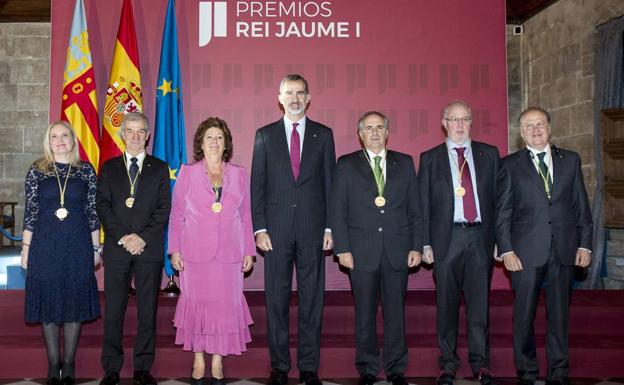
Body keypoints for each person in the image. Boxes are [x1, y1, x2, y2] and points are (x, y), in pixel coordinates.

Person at [250, 74, 336, 385]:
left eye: (300, 93)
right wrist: (259, 228)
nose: (295, 98)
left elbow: (330, 185)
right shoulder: (264, 135)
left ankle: (309, 367)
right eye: (289, 93)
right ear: (280, 98)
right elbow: (257, 186)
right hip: (276, 233)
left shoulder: (324, 135)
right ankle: (280, 367)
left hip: (314, 231)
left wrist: (330, 227)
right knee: (276, 300)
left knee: (312, 300)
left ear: (309, 97)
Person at [497, 107, 592, 385]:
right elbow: (502, 211)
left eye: (540, 124)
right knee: (524, 316)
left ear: (550, 127)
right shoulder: (509, 164)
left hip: (564, 249)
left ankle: (559, 372)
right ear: (521, 132)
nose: (535, 130)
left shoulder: (571, 160)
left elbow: (581, 207)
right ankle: (526, 372)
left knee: (559, 316)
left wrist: (585, 245)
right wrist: (506, 249)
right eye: (528, 126)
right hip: (524, 253)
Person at [330, 111, 422, 385]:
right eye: (368, 128)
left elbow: (415, 209)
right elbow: (337, 211)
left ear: (387, 132)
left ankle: (396, 368)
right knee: (365, 313)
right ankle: (368, 368)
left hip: (397, 249)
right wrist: (343, 249)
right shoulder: (346, 165)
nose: (373, 132)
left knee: (395, 313)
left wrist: (416, 246)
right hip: (360, 252)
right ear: (360, 134)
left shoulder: (404, 163)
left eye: (379, 127)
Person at [418, 100, 502, 385]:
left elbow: (500, 202)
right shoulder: (429, 158)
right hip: (446, 239)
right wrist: (425, 244)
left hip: (480, 237)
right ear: (444, 122)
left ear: (471, 121)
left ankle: (481, 363)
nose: (459, 124)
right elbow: (423, 206)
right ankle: (448, 364)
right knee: (447, 305)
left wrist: (500, 241)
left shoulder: (489, 154)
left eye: (465, 119)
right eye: (454, 119)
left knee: (479, 306)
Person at [168, 117, 255, 385]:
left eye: (219, 137)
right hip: (194, 255)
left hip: (230, 256)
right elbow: (176, 216)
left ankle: (217, 361)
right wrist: (174, 250)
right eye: (209, 137)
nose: (214, 142)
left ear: (226, 142)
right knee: (197, 307)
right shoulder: (187, 173)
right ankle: (198, 359)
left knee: (223, 309)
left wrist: (248, 251)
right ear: (200, 144)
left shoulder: (239, 174)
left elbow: (245, 217)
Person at [21, 121, 101, 385]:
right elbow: (30, 212)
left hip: (78, 244)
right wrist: (25, 249)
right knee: (48, 303)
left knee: (73, 304)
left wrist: (95, 248)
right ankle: (53, 365)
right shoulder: (37, 170)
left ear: (73, 139)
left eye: (64, 135)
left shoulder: (86, 170)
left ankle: (69, 365)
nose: (59, 140)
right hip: (45, 245)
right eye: (54, 136)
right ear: (48, 141)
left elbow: (92, 212)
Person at [96, 112, 171, 385]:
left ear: (148, 135)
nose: (136, 136)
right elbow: (102, 205)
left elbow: (164, 209)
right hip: (117, 249)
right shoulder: (109, 167)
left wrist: (142, 238)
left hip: (148, 250)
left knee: (147, 310)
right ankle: (111, 368)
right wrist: (124, 237)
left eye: (141, 131)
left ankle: (142, 368)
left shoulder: (160, 168)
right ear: (122, 134)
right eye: (130, 130)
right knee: (114, 310)